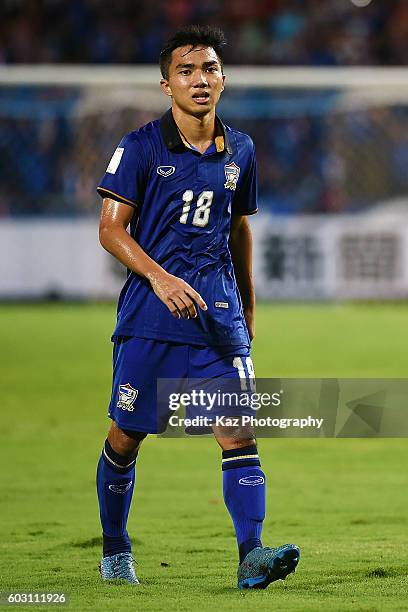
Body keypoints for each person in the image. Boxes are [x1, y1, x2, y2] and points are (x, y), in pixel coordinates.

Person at [96, 24, 300, 589]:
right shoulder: (139, 146)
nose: (199, 80)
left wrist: (248, 311)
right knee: (125, 436)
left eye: (208, 69)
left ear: (223, 79)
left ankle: (250, 558)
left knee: (239, 434)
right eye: (186, 71)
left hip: (219, 321)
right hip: (150, 319)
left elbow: (238, 230)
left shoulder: (241, 149)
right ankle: (115, 550)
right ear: (166, 84)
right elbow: (111, 230)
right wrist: (159, 278)